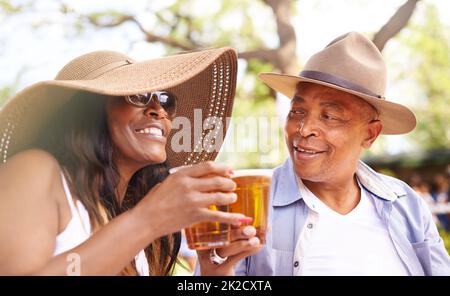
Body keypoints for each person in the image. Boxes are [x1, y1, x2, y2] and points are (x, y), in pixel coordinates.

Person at [200, 32, 450, 276]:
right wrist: (214, 272)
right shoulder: (247, 206)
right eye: (297, 111)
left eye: (329, 116)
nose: (305, 129)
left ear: (371, 134)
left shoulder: (407, 205)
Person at [0, 47, 261, 275]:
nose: (158, 110)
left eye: (165, 100)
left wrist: (215, 274)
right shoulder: (36, 170)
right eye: (136, 96)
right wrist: (147, 220)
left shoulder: (133, 219)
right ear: (87, 111)